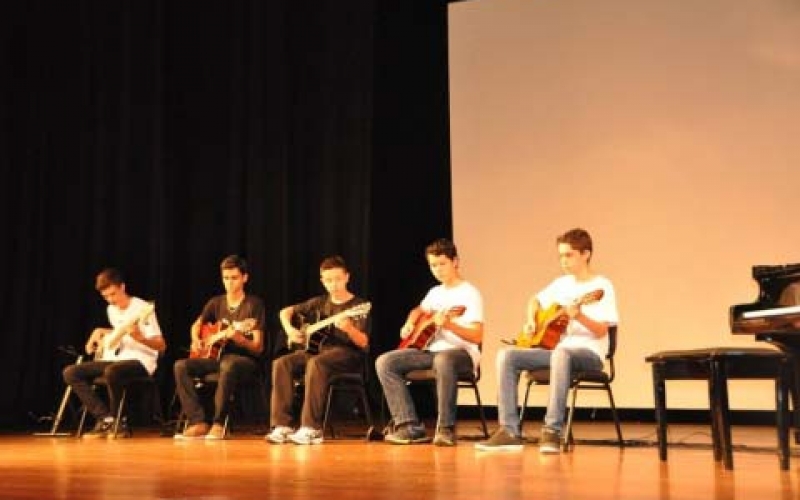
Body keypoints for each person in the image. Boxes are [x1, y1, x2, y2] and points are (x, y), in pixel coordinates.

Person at [475, 228, 619, 453]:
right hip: (559, 352)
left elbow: (602, 331)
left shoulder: (602, 286)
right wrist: (531, 320)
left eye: (569, 255)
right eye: (561, 256)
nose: (564, 261)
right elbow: (534, 300)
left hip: (588, 354)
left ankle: (552, 429)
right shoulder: (561, 284)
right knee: (507, 355)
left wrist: (579, 315)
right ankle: (509, 431)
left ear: (586, 254)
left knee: (562, 353)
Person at [376, 238, 484, 446]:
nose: (438, 270)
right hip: (431, 351)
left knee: (443, 360)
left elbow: (477, 336)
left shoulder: (470, 293)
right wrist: (410, 322)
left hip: (461, 354)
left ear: (455, 262)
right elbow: (419, 310)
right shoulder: (435, 292)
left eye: (442, 263)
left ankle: (445, 428)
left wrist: (450, 326)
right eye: (433, 265)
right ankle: (409, 426)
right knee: (385, 362)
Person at [266, 255, 370, 445]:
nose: (334, 284)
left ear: (347, 277)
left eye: (338, 279)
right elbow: (285, 312)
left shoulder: (357, 306)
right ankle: (282, 426)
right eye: (328, 280)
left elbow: (363, 342)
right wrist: (291, 330)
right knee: (282, 363)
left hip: (347, 354)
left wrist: (349, 329)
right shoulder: (319, 302)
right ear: (322, 281)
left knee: (316, 363)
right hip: (317, 351)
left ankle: (311, 428)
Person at [63, 268, 166, 438]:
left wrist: (141, 338)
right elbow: (119, 331)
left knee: (113, 371)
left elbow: (161, 345)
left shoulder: (142, 308)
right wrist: (99, 332)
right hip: (117, 358)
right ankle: (107, 420)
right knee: (71, 372)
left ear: (123, 287)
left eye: (113, 294)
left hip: (141, 361)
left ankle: (120, 422)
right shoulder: (111, 309)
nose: (111, 300)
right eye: (106, 297)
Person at [173, 254, 266, 440]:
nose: (229, 283)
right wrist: (195, 340)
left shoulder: (254, 305)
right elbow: (197, 325)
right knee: (181, 366)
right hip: (215, 357)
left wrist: (239, 339)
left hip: (244, 360)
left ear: (244, 278)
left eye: (234, 278)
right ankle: (198, 421)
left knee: (228, 364)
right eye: (226, 278)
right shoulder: (216, 303)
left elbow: (258, 347)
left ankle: (218, 422)